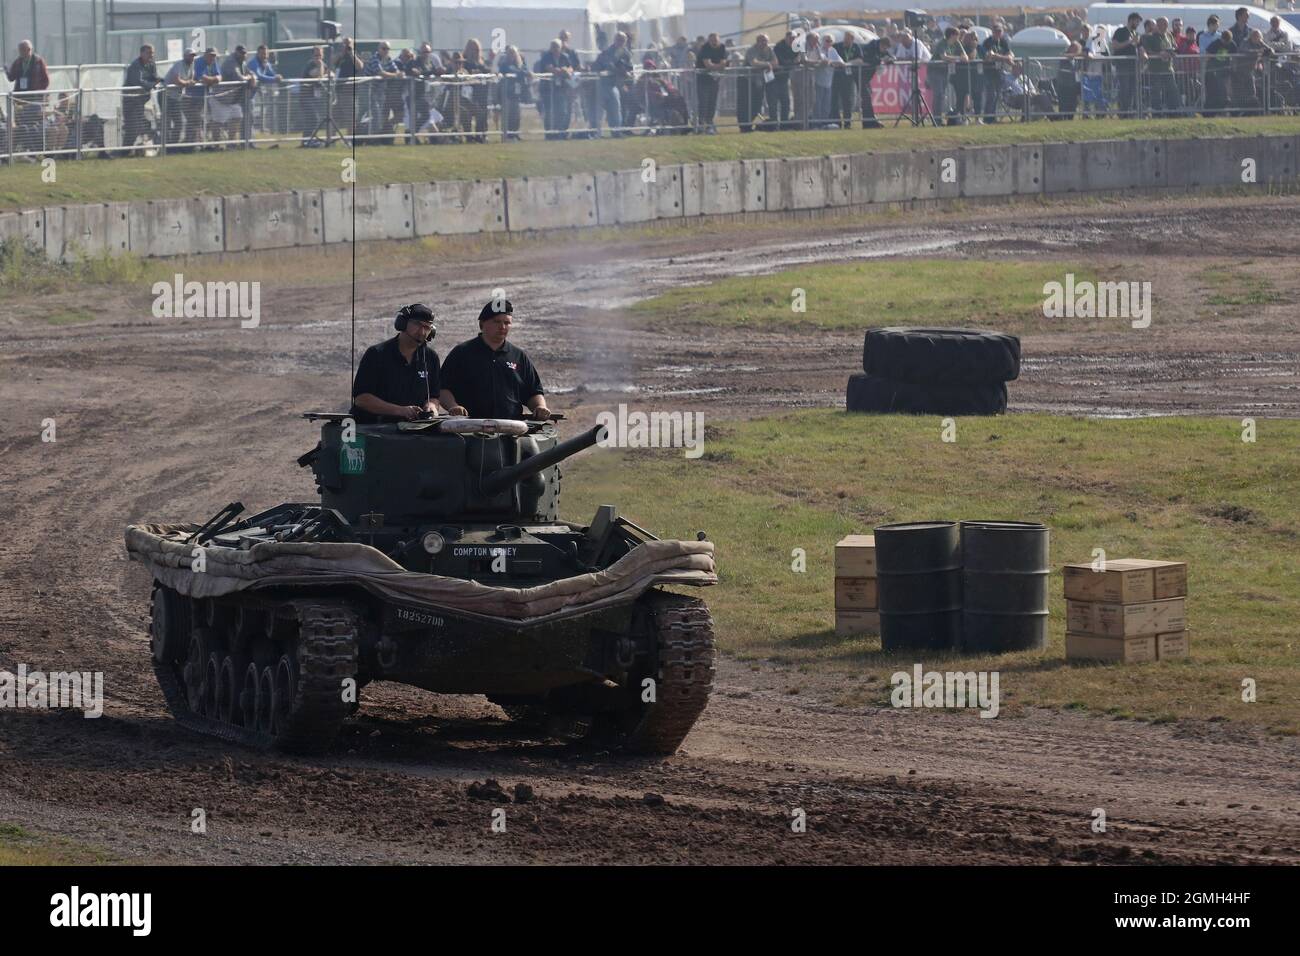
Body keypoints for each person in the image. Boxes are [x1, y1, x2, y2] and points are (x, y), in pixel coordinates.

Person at [439, 300, 549, 421]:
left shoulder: (518, 356)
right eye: (497, 321)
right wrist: (453, 407)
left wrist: (540, 407)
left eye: (507, 323)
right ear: (482, 324)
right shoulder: (462, 353)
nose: (502, 327)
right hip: (469, 429)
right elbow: (443, 388)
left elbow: (533, 392)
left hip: (510, 429)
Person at [350, 304, 447, 424]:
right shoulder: (377, 354)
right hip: (373, 429)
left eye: (427, 327)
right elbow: (361, 399)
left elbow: (434, 396)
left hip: (413, 431)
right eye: (417, 324)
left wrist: (431, 407)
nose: (422, 332)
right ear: (402, 323)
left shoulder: (430, 358)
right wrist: (400, 411)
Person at [7, 40, 49, 154]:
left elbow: (46, 80)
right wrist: (6, 69)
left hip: (34, 99)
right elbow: (11, 77)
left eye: (24, 49)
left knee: (33, 123)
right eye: (20, 50)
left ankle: (35, 150)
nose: (22, 52)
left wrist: (39, 93)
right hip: (20, 98)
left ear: (30, 50)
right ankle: (24, 149)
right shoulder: (18, 62)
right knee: (22, 123)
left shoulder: (38, 61)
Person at [122, 44, 160, 155]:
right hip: (130, 101)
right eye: (149, 53)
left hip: (142, 101)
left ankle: (148, 147)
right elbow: (138, 82)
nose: (151, 55)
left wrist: (156, 81)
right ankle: (124, 151)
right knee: (132, 127)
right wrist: (151, 84)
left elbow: (154, 78)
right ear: (142, 53)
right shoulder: (135, 65)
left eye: (152, 53)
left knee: (144, 124)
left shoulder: (152, 64)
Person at [594, 31, 632, 135]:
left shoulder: (626, 53)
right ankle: (597, 133)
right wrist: (621, 71)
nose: (621, 42)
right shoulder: (607, 52)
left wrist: (625, 72)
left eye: (623, 40)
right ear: (615, 40)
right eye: (619, 40)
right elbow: (607, 65)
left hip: (615, 85)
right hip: (603, 84)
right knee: (599, 111)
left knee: (615, 109)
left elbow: (629, 67)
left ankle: (616, 132)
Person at [535, 40, 574, 140]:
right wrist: (563, 71)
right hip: (547, 89)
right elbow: (550, 68)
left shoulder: (565, 56)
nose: (555, 49)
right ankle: (549, 134)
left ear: (561, 48)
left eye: (557, 47)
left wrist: (567, 70)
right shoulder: (546, 57)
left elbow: (570, 68)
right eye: (553, 46)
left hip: (561, 89)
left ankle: (560, 132)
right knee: (549, 112)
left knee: (562, 111)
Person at [1141, 18, 1179, 117]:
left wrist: (1171, 51)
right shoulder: (1149, 37)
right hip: (1155, 70)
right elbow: (1147, 51)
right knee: (1156, 92)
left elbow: (1175, 46)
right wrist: (1159, 54)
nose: (1165, 27)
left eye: (1166, 24)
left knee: (1172, 90)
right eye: (1163, 24)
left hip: (1168, 69)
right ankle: (1157, 113)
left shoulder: (1169, 35)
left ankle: (1173, 112)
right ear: (1157, 25)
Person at [979, 24, 1015, 123]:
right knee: (991, 95)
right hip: (988, 72)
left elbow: (1010, 53)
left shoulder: (1003, 41)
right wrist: (1005, 58)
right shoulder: (988, 42)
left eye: (1000, 31)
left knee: (997, 95)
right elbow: (991, 56)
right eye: (996, 31)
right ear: (992, 32)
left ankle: (992, 117)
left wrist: (1007, 56)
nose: (998, 33)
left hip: (999, 72)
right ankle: (987, 118)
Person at [740, 33, 776, 132]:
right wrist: (767, 64)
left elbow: (775, 62)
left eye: (766, 41)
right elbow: (754, 63)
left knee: (756, 104)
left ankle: (748, 125)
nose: (764, 43)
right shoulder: (752, 50)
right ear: (757, 41)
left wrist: (767, 64)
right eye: (762, 41)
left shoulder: (769, 49)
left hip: (760, 82)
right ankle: (744, 126)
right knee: (747, 104)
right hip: (747, 82)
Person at [163, 48, 197, 147]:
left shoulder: (192, 66)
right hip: (166, 95)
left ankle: (173, 145)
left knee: (179, 122)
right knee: (167, 121)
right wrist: (188, 83)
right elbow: (176, 80)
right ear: (185, 56)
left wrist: (190, 83)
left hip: (176, 97)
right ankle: (166, 145)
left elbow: (191, 80)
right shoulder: (179, 65)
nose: (192, 58)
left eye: (193, 56)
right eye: (190, 55)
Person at [1110, 12, 1142, 117]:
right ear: (1131, 20)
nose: (1138, 24)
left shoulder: (1135, 33)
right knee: (1124, 88)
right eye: (1137, 21)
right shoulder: (1121, 31)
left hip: (1133, 65)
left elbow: (1139, 47)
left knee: (1133, 89)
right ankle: (1123, 112)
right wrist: (1130, 42)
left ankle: (1131, 111)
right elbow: (1115, 45)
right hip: (1123, 64)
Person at [831, 31, 864, 128]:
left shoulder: (856, 47)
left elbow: (860, 60)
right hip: (836, 77)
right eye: (845, 37)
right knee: (835, 100)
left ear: (852, 39)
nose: (845, 40)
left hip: (849, 78)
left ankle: (847, 122)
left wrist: (848, 63)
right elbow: (831, 58)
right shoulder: (837, 46)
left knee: (847, 101)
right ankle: (836, 122)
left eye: (848, 38)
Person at [695, 32, 727, 133]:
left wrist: (715, 67)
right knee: (703, 102)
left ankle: (709, 124)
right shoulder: (705, 48)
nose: (714, 43)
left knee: (712, 102)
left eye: (716, 41)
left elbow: (724, 62)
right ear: (709, 41)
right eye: (712, 41)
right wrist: (718, 67)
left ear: (719, 40)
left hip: (715, 80)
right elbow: (707, 64)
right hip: (703, 79)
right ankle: (701, 124)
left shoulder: (722, 47)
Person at [497, 45, 529, 141]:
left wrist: (524, 72)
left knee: (516, 116)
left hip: (516, 95)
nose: (512, 55)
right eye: (510, 53)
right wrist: (523, 73)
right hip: (506, 94)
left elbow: (525, 69)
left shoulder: (520, 64)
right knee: (507, 116)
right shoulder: (504, 65)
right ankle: (506, 135)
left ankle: (515, 134)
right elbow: (512, 71)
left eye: (513, 53)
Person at [1204, 29, 1236, 114]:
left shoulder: (1232, 44)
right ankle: (1210, 112)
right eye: (1224, 41)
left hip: (1225, 72)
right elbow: (1207, 55)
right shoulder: (1215, 43)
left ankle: (1224, 110)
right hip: (1213, 72)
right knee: (1214, 93)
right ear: (1221, 38)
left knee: (1225, 92)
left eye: (1227, 42)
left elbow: (1236, 56)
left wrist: (1233, 67)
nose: (1226, 44)